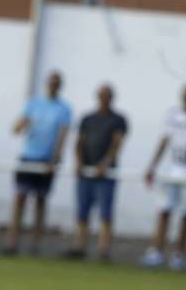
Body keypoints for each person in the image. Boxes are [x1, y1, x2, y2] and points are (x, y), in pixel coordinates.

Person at [2, 71, 71, 255]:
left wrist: (55, 160)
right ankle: (12, 242)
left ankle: (35, 244)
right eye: (51, 83)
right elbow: (15, 129)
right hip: (28, 156)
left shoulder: (64, 109)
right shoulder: (34, 104)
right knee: (20, 198)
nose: (53, 86)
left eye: (56, 83)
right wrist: (23, 124)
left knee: (40, 201)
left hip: (46, 160)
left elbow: (63, 135)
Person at [141, 84, 186, 269]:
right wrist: (152, 166)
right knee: (164, 210)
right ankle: (156, 251)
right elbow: (165, 139)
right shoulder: (172, 115)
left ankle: (179, 254)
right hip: (172, 170)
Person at [66, 84, 127, 261]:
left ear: (112, 98)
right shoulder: (88, 118)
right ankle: (79, 246)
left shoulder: (118, 120)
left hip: (106, 175)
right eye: (101, 95)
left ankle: (104, 249)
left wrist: (106, 163)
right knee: (82, 211)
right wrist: (78, 162)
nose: (104, 99)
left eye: (107, 95)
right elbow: (79, 142)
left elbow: (117, 143)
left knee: (105, 212)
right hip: (86, 172)